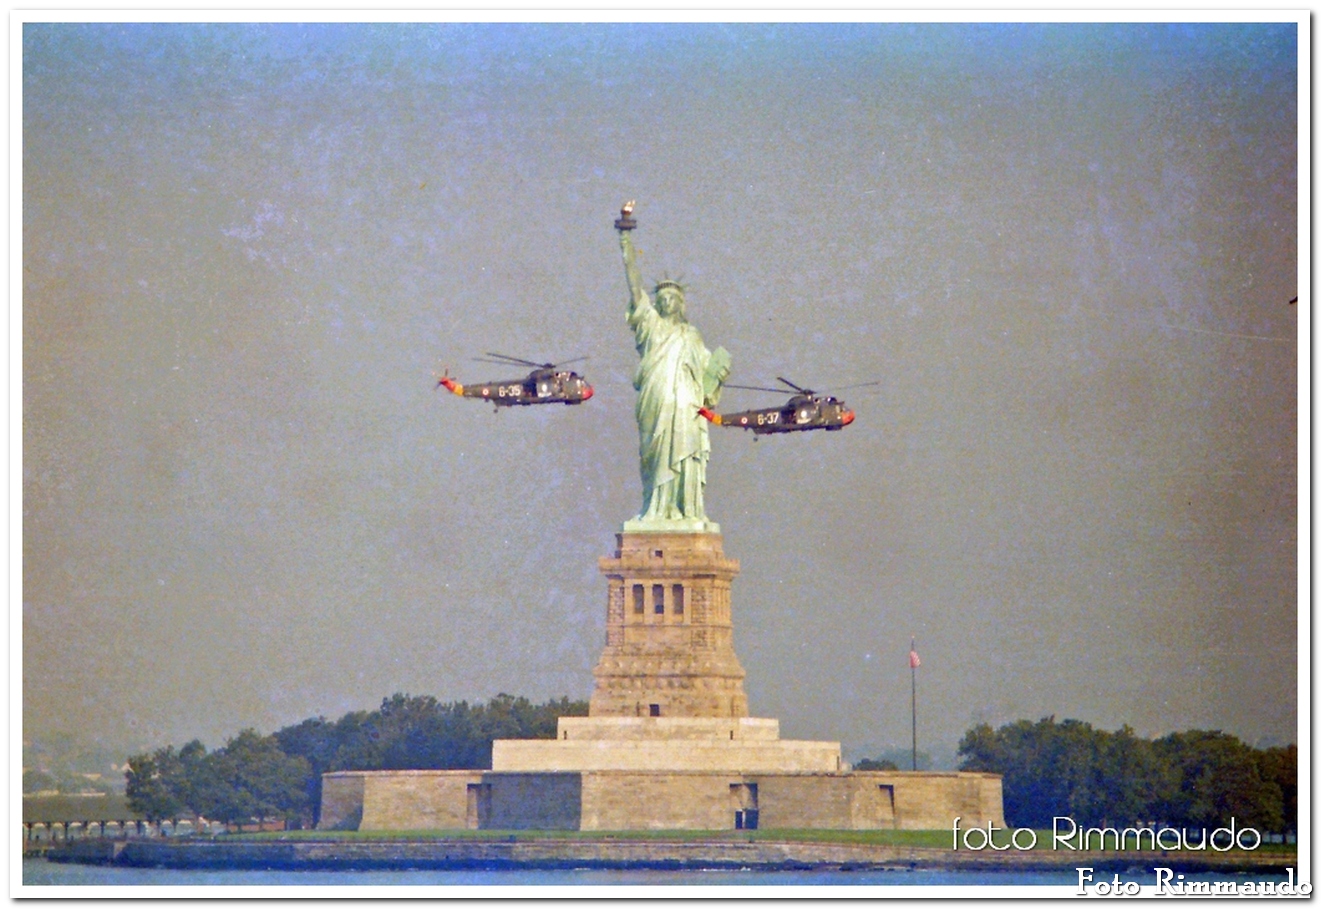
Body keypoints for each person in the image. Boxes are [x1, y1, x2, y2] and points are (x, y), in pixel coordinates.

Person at [618, 212, 731, 524]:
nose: (667, 301)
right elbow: (635, 286)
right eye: (663, 297)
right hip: (656, 400)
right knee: (655, 456)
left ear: (681, 304)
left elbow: (707, 382)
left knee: (686, 454)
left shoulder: (692, 335)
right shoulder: (650, 325)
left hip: (685, 405)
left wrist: (718, 374)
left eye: (672, 298)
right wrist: (625, 239)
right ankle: (655, 508)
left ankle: (686, 510)